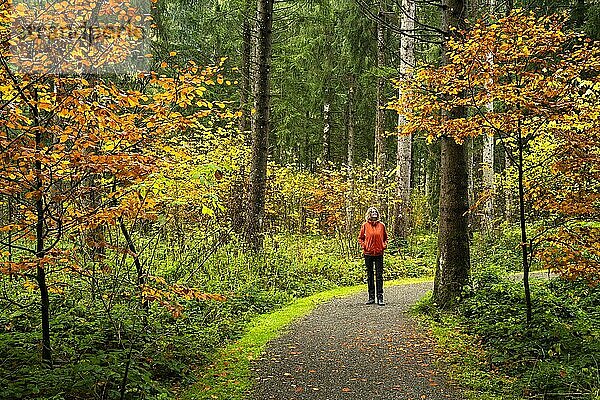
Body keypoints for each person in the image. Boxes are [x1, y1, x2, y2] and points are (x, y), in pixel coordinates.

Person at [358, 206, 388, 306]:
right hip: (368, 253)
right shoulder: (365, 225)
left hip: (379, 253)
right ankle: (371, 297)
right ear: (369, 214)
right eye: (372, 212)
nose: (374, 213)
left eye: (375, 211)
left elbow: (385, 238)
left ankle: (380, 297)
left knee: (379, 276)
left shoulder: (382, 225)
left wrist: (384, 245)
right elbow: (360, 238)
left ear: (377, 214)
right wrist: (365, 246)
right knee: (370, 275)